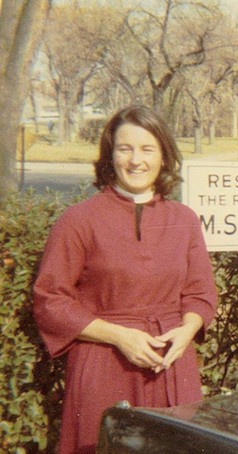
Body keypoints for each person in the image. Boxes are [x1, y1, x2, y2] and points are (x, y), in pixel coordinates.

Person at [34, 105, 218, 453]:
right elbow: (50, 300)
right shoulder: (78, 221)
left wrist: (188, 330)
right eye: (125, 149)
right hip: (104, 365)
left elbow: (201, 292)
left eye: (147, 149)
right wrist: (119, 337)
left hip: (171, 365)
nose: (136, 160)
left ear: (164, 156)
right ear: (109, 155)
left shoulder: (184, 219)